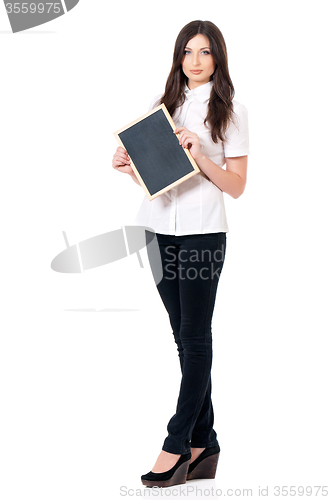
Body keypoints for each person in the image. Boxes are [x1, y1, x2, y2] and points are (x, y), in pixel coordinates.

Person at [112, 20, 249, 488]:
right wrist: (129, 168)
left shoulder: (230, 110)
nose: (195, 60)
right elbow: (158, 185)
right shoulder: (162, 108)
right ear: (179, 57)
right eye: (188, 51)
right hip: (156, 232)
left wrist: (201, 154)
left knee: (194, 337)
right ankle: (205, 443)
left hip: (203, 234)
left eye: (205, 52)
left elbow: (237, 187)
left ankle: (177, 443)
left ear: (217, 58)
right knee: (183, 338)